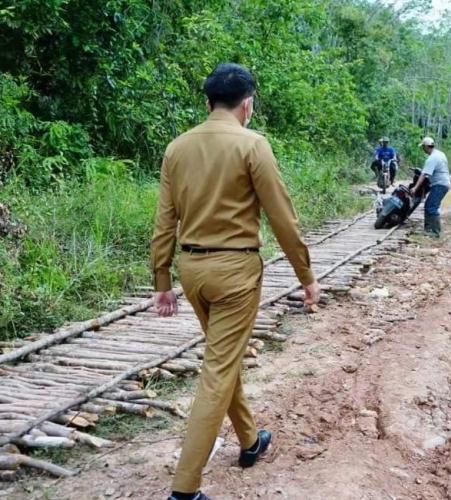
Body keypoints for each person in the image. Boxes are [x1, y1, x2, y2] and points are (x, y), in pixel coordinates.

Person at [151, 63, 321, 500]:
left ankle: (249, 441)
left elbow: (164, 220)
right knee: (218, 369)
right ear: (247, 104)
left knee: (221, 361)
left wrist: (161, 280)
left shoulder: (177, 148)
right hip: (235, 274)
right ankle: (184, 490)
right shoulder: (253, 145)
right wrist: (306, 276)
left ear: (208, 103)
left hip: (192, 272)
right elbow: (282, 218)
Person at [409, 136, 451, 238]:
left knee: (431, 207)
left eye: (423, 147)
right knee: (429, 205)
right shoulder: (440, 154)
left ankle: (435, 232)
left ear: (426, 147)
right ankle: (429, 229)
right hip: (443, 183)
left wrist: (415, 188)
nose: (423, 150)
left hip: (439, 184)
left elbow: (424, 174)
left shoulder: (432, 158)